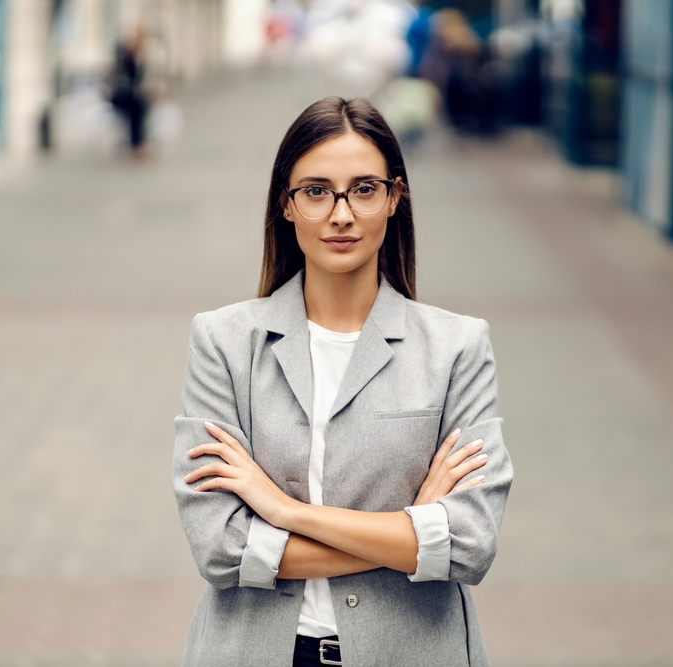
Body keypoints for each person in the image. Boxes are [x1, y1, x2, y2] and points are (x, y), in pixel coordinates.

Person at [171, 97, 513, 667]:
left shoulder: (457, 347)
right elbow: (220, 549)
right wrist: (409, 534)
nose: (341, 213)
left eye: (363, 189)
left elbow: (470, 545)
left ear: (394, 198)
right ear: (286, 205)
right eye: (316, 191)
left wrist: (283, 511)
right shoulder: (223, 343)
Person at [107, 26, 149, 157]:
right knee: (137, 107)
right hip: (118, 95)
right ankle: (136, 146)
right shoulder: (123, 56)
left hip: (127, 95)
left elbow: (137, 81)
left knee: (140, 106)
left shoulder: (136, 57)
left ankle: (139, 144)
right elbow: (121, 80)